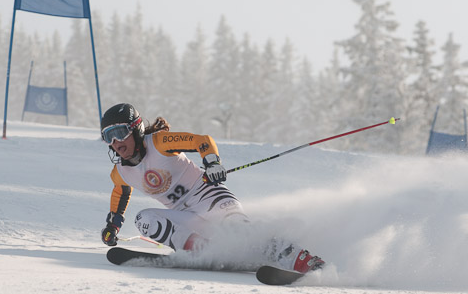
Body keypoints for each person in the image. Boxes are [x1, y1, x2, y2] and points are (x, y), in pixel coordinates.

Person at [99, 103, 324, 273]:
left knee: (242, 232)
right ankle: (201, 251)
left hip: (210, 196)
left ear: (135, 129)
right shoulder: (120, 172)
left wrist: (212, 162)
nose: (116, 142)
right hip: (185, 215)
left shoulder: (159, 142)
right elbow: (120, 191)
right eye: (108, 137)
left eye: (119, 132)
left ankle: (304, 262)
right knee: (144, 219)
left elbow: (202, 140)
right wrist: (113, 225)